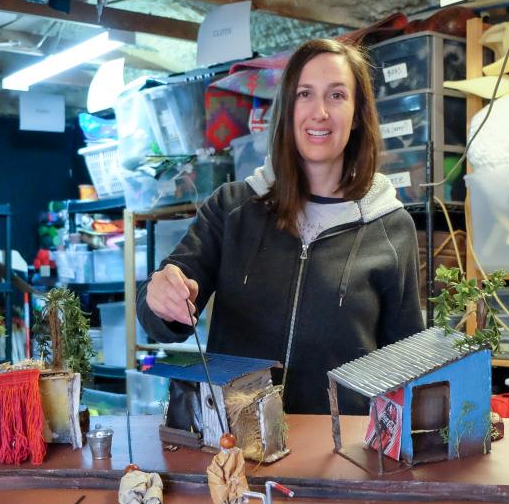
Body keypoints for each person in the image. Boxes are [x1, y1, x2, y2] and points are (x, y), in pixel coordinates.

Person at [137, 37, 424, 415]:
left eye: (337, 95)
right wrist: (161, 298)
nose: (319, 111)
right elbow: (159, 313)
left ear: (357, 116)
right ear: (287, 109)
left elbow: (405, 359)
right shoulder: (232, 207)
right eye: (305, 94)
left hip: (335, 453)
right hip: (235, 445)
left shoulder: (391, 226)